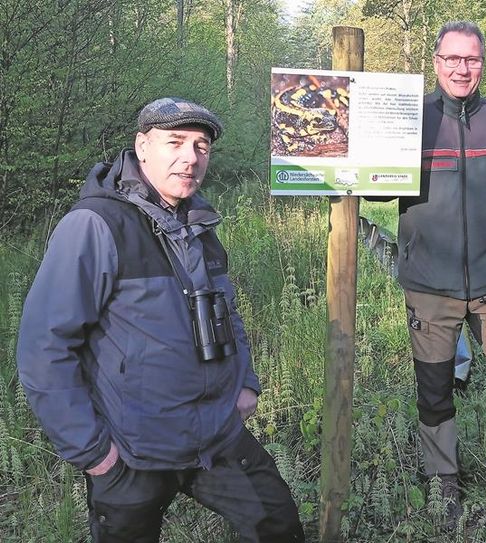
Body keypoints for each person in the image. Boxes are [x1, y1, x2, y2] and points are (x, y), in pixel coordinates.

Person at [16, 97, 304, 542]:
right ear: (142, 146)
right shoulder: (95, 225)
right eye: (176, 142)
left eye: (201, 146)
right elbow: (44, 346)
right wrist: (95, 453)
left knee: (278, 523)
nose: (190, 158)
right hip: (132, 451)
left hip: (215, 433)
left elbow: (227, 311)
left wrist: (245, 380)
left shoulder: (199, 223)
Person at [378, 20, 486, 525]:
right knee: (434, 388)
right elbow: (377, 186)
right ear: (436, 62)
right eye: (452, 58)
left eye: (470, 59)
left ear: (482, 64)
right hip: (429, 285)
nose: (461, 68)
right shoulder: (412, 118)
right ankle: (443, 480)